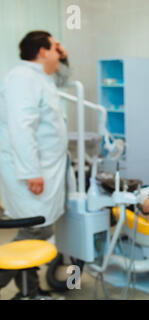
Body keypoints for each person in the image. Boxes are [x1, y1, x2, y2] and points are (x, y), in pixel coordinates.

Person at [0, 31, 71, 299]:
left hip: (45, 167)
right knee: (35, 230)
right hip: (30, 171)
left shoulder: (40, 77)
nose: (58, 51)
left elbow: (65, 78)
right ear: (41, 51)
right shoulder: (22, 78)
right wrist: (32, 173)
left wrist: (63, 57)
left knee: (35, 231)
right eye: (55, 48)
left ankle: (29, 290)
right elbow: (22, 127)